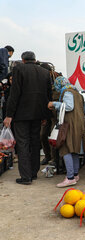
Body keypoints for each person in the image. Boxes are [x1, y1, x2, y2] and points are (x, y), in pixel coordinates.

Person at [4, 51, 52, 185]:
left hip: (21, 115)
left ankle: (26, 177)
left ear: (23, 60)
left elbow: (15, 93)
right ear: (35, 60)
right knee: (35, 142)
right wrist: (45, 116)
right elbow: (47, 96)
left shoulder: (19, 69)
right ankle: (33, 173)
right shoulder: (44, 72)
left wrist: (9, 115)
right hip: (38, 114)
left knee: (23, 143)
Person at [48, 76, 85, 188]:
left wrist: (54, 104)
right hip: (78, 125)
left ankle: (70, 178)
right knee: (74, 150)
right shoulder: (78, 93)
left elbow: (69, 107)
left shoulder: (67, 92)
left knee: (65, 149)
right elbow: (84, 110)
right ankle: (75, 175)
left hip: (69, 125)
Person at [39, 63, 61, 165]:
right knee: (42, 135)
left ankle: (54, 158)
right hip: (45, 113)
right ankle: (47, 156)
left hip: (55, 114)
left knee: (53, 136)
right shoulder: (41, 80)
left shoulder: (58, 79)